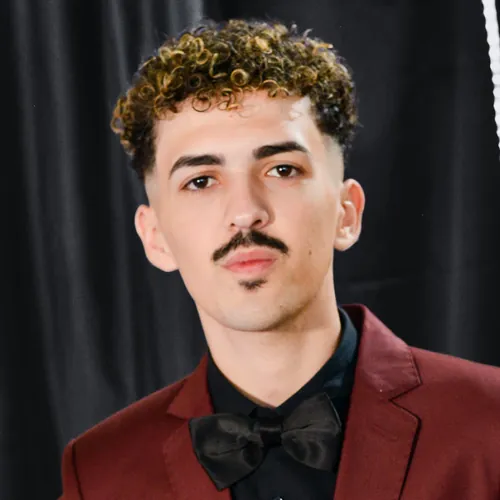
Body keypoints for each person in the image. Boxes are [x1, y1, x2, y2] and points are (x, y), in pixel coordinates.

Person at [59, 19, 500, 500]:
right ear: (156, 237)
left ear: (346, 213)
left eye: (282, 169)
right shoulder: (97, 474)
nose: (245, 212)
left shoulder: (490, 422)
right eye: (201, 181)